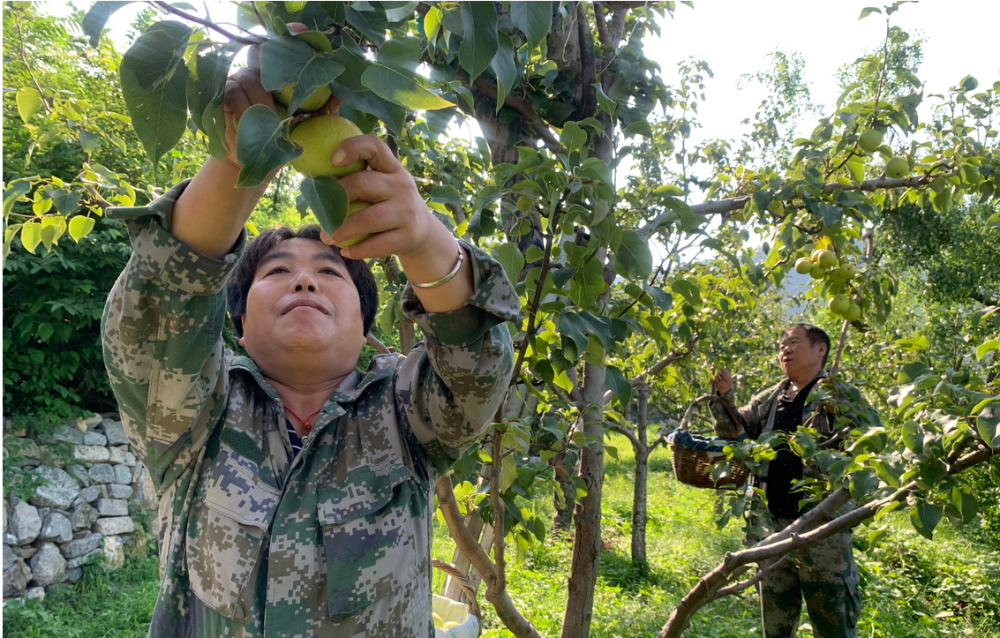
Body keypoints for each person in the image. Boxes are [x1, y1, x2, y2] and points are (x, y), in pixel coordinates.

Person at [102, 60, 518, 637]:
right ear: (239, 323)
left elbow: (477, 361)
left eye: (330, 271)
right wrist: (239, 154)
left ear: (365, 327)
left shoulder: (403, 415)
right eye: (276, 271)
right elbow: (157, 310)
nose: (304, 281)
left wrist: (423, 238)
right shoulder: (196, 414)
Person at [710, 324, 879, 638]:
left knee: (832, 624)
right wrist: (723, 397)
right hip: (772, 528)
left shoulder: (840, 394)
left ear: (820, 350)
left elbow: (873, 444)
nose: (784, 350)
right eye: (781, 345)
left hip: (822, 529)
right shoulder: (769, 398)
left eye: (794, 343)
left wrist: (851, 501)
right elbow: (735, 435)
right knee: (776, 624)